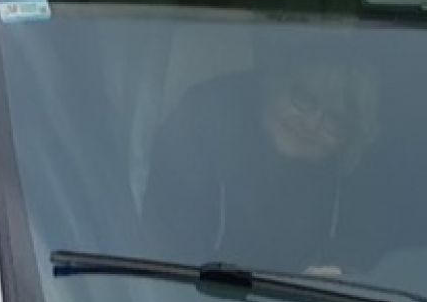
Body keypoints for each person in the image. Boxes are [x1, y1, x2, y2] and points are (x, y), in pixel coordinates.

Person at [140, 42, 377, 274]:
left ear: (351, 139)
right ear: (276, 85)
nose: (311, 123)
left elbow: (364, 263)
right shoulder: (200, 138)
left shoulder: (349, 191)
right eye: (304, 99)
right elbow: (165, 257)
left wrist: (342, 273)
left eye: (334, 120)